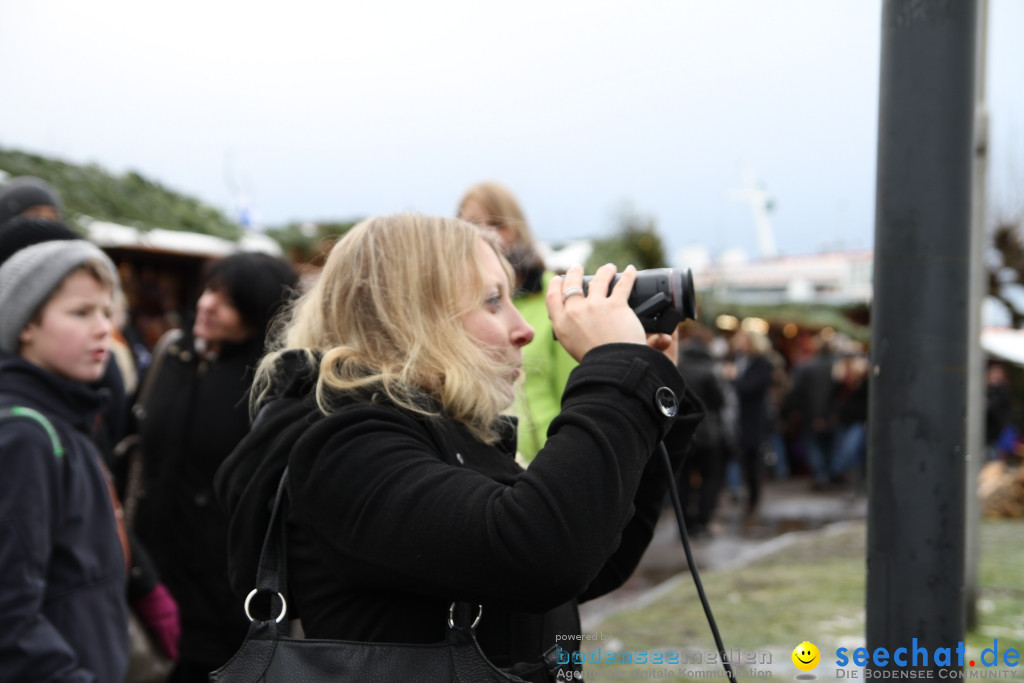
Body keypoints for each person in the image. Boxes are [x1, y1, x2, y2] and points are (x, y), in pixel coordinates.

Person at [215, 214, 702, 682]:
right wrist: (616, 374)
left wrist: (651, 397)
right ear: (410, 314)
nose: (525, 330)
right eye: (493, 301)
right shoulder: (347, 447)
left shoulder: (459, 432)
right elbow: (544, 556)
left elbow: (590, 564)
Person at [132, 251, 298, 682]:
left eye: (228, 300)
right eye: (209, 290)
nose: (207, 304)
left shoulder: (274, 384)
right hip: (151, 571)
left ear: (261, 311)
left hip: (224, 594)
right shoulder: (174, 355)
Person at [0, 240, 129, 682]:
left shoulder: (67, 419)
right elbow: (9, 611)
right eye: (80, 313)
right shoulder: (25, 436)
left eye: (105, 311)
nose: (103, 329)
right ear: (26, 326)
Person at [458, 182, 577, 462]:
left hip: (552, 461)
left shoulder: (558, 295)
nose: (486, 236)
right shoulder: (460, 306)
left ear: (517, 228)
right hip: (492, 464)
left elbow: (573, 388)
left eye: (495, 224)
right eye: (471, 225)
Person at [723, 329, 773, 514]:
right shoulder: (737, 359)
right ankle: (740, 493)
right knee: (741, 458)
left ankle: (753, 499)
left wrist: (733, 378)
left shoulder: (761, 363)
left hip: (752, 420)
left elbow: (750, 388)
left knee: (752, 461)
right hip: (735, 418)